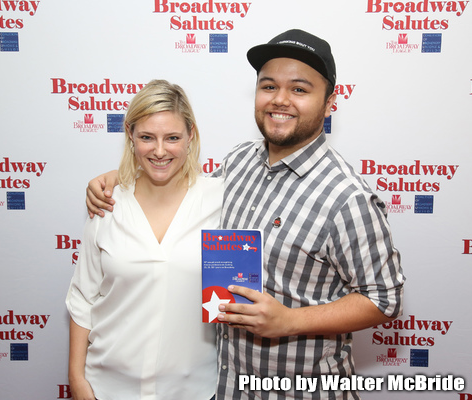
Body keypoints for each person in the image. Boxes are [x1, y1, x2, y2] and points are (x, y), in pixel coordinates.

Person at [86, 30, 405, 400]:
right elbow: (182, 189)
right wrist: (122, 180)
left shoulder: (347, 196)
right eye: (269, 86)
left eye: (300, 90)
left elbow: (385, 299)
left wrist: (290, 321)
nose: (280, 100)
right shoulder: (239, 162)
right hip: (225, 386)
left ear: (330, 102)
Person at [66, 79, 223, 400]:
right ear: (130, 135)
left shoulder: (221, 200)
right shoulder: (107, 202)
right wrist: (77, 380)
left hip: (195, 388)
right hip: (106, 387)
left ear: (191, 135)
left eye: (173, 138)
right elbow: (83, 300)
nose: (160, 150)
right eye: (147, 138)